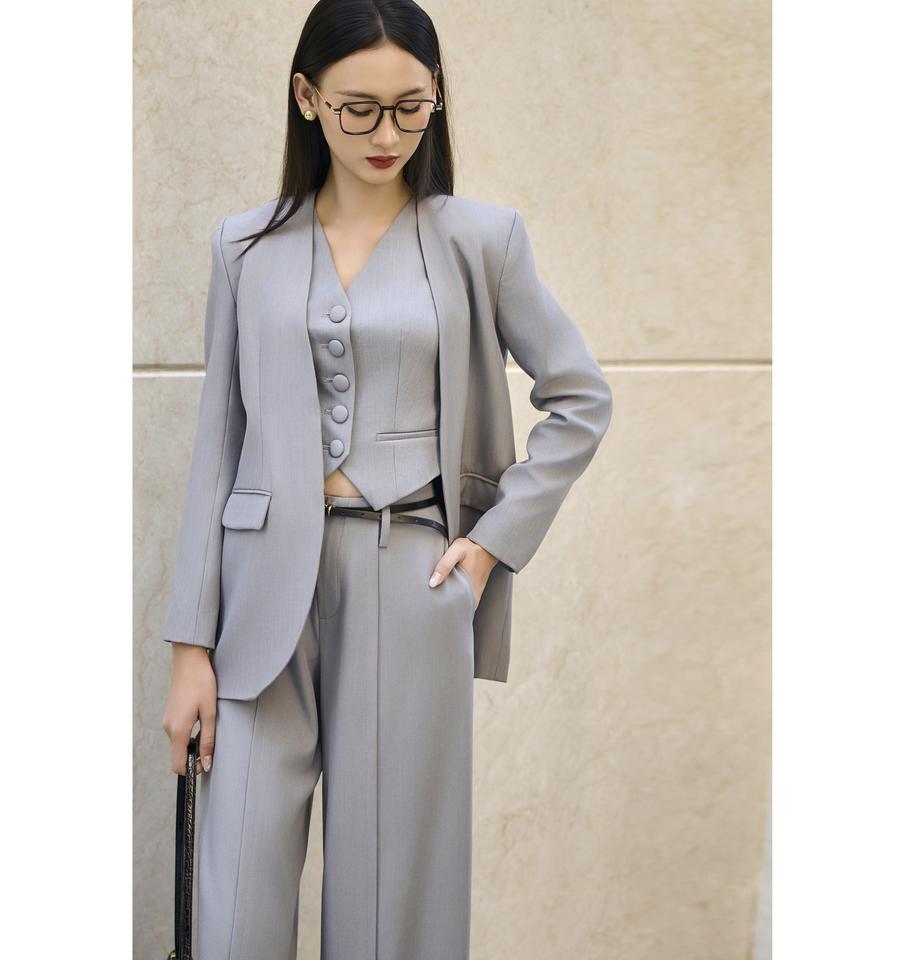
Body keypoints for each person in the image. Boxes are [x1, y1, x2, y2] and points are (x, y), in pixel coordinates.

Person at [160, 1, 613, 957]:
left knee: (392, 904)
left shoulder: (482, 240)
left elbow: (580, 398)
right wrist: (188, 648)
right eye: (358, 108)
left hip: (411, 578)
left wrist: (488, 547)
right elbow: (219, 445)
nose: (387, 133)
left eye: (412, 107)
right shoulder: (243, 247)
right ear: (306, 97)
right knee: (234, 900)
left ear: (436, 96)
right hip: (258, 594)